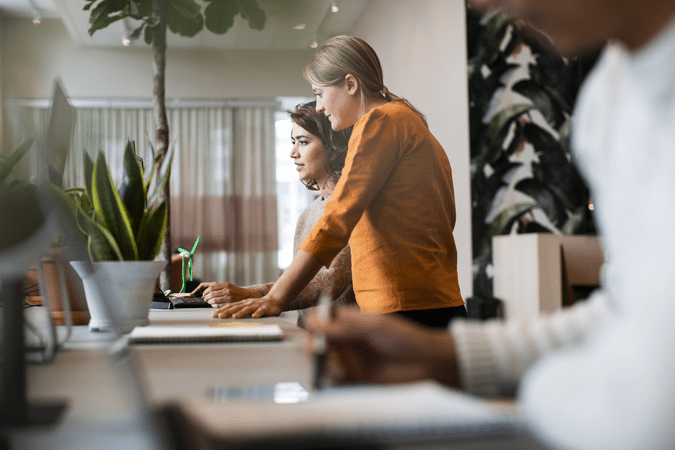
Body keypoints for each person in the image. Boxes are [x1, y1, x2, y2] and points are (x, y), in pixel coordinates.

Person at [306, 1, 675, 449]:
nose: (482, 4)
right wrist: (448, 356)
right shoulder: (607, 102)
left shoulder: (384, 120)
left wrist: (530, 391)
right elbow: (632, 312)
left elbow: (650, 411)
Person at [212, 35, 467, 328]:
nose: (319, 106)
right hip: (433, 303)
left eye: (320, 93)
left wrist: (276, 298)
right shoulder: (407, 119)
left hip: (405, 310)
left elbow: (336, 220)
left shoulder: (379, 121)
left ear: (350, 84)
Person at [193, 102, 355, 325]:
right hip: (310, 337)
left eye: (303, 142)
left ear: (333, 148)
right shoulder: (308, 214)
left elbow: (326, 284)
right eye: (292, 142)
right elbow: (303, 280)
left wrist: (249, 294)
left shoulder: (352, 206)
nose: (293, 153)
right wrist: (243, 293)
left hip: (343, 346)